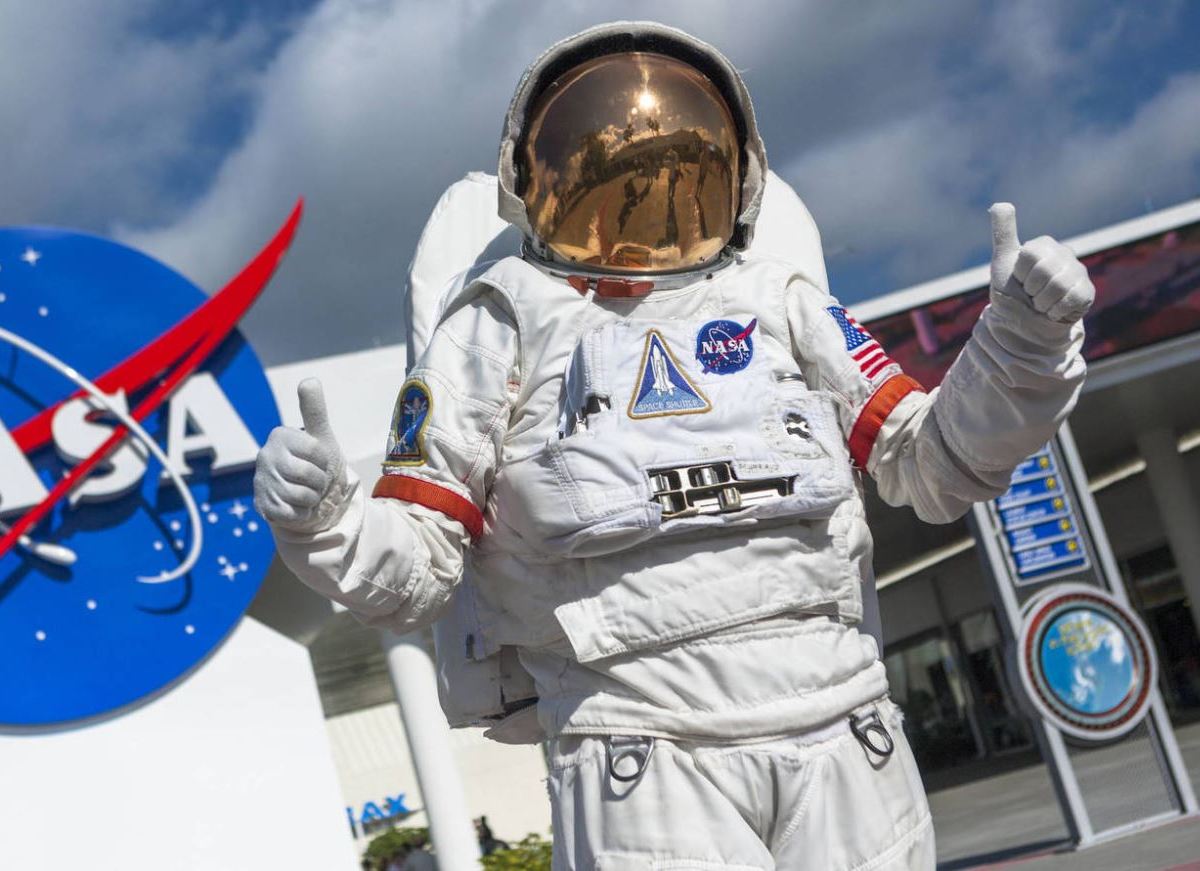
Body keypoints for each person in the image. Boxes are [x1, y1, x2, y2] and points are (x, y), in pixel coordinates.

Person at [254, 21, 1094, 869]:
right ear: (529, 180)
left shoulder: (780, 298)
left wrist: (1021, 344)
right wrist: (328, 521)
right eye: (605, 170)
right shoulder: (501, 316)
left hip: (842, 717)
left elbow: (934, 461)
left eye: (679, 169)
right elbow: (418, 562)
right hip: (639, 738)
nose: (642, 197)